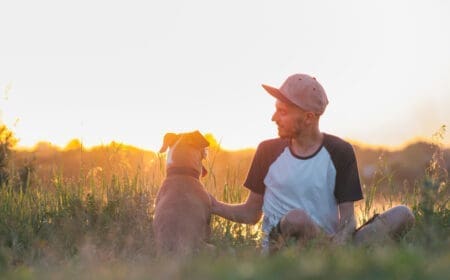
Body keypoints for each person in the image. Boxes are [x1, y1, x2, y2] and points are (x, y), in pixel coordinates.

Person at [209, 73, 415, 253]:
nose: (273, 118)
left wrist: (341, 242)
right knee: (296, 219)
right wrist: (213, 205)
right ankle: (340, 260)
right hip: (283, 247)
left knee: (402, 214)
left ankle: (334, 257)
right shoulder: (267, 151)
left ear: (308, 118)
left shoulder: (340, 151)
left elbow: (348, 219)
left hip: (333, 244)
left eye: (282, 112)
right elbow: (251, 213)